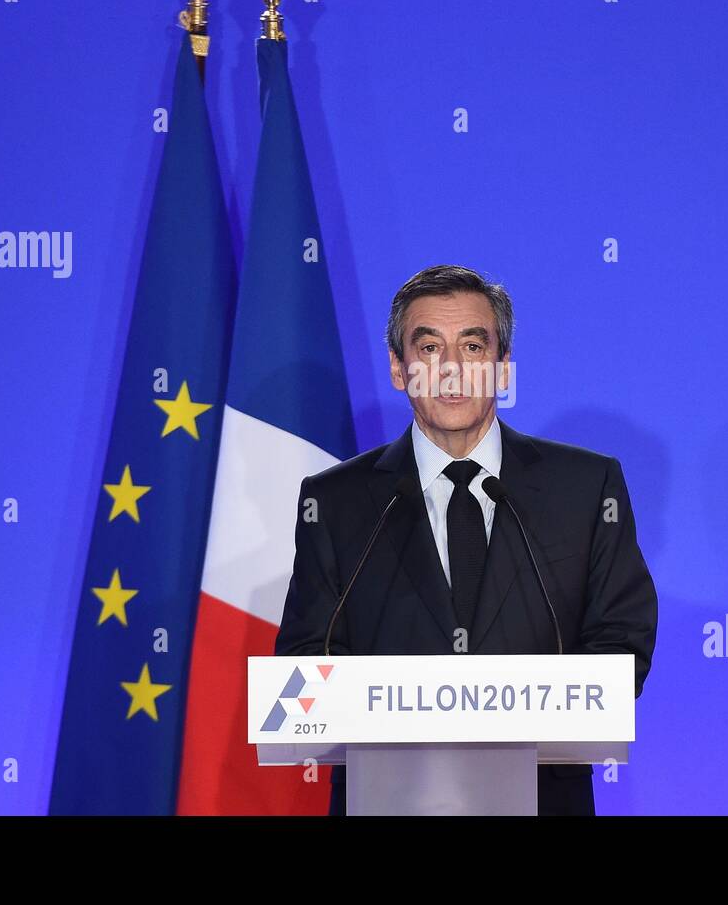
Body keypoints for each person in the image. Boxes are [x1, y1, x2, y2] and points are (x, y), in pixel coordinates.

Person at [274, 264, 659, 815]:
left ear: (503, 369)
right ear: (398, 369)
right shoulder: (337, 501)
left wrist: (521, 714)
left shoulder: (584, 487)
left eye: (473, 347)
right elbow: (306, 656)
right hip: (387, 801)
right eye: (428, 348)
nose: (451, 370)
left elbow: (622, 638)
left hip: (541, 798)